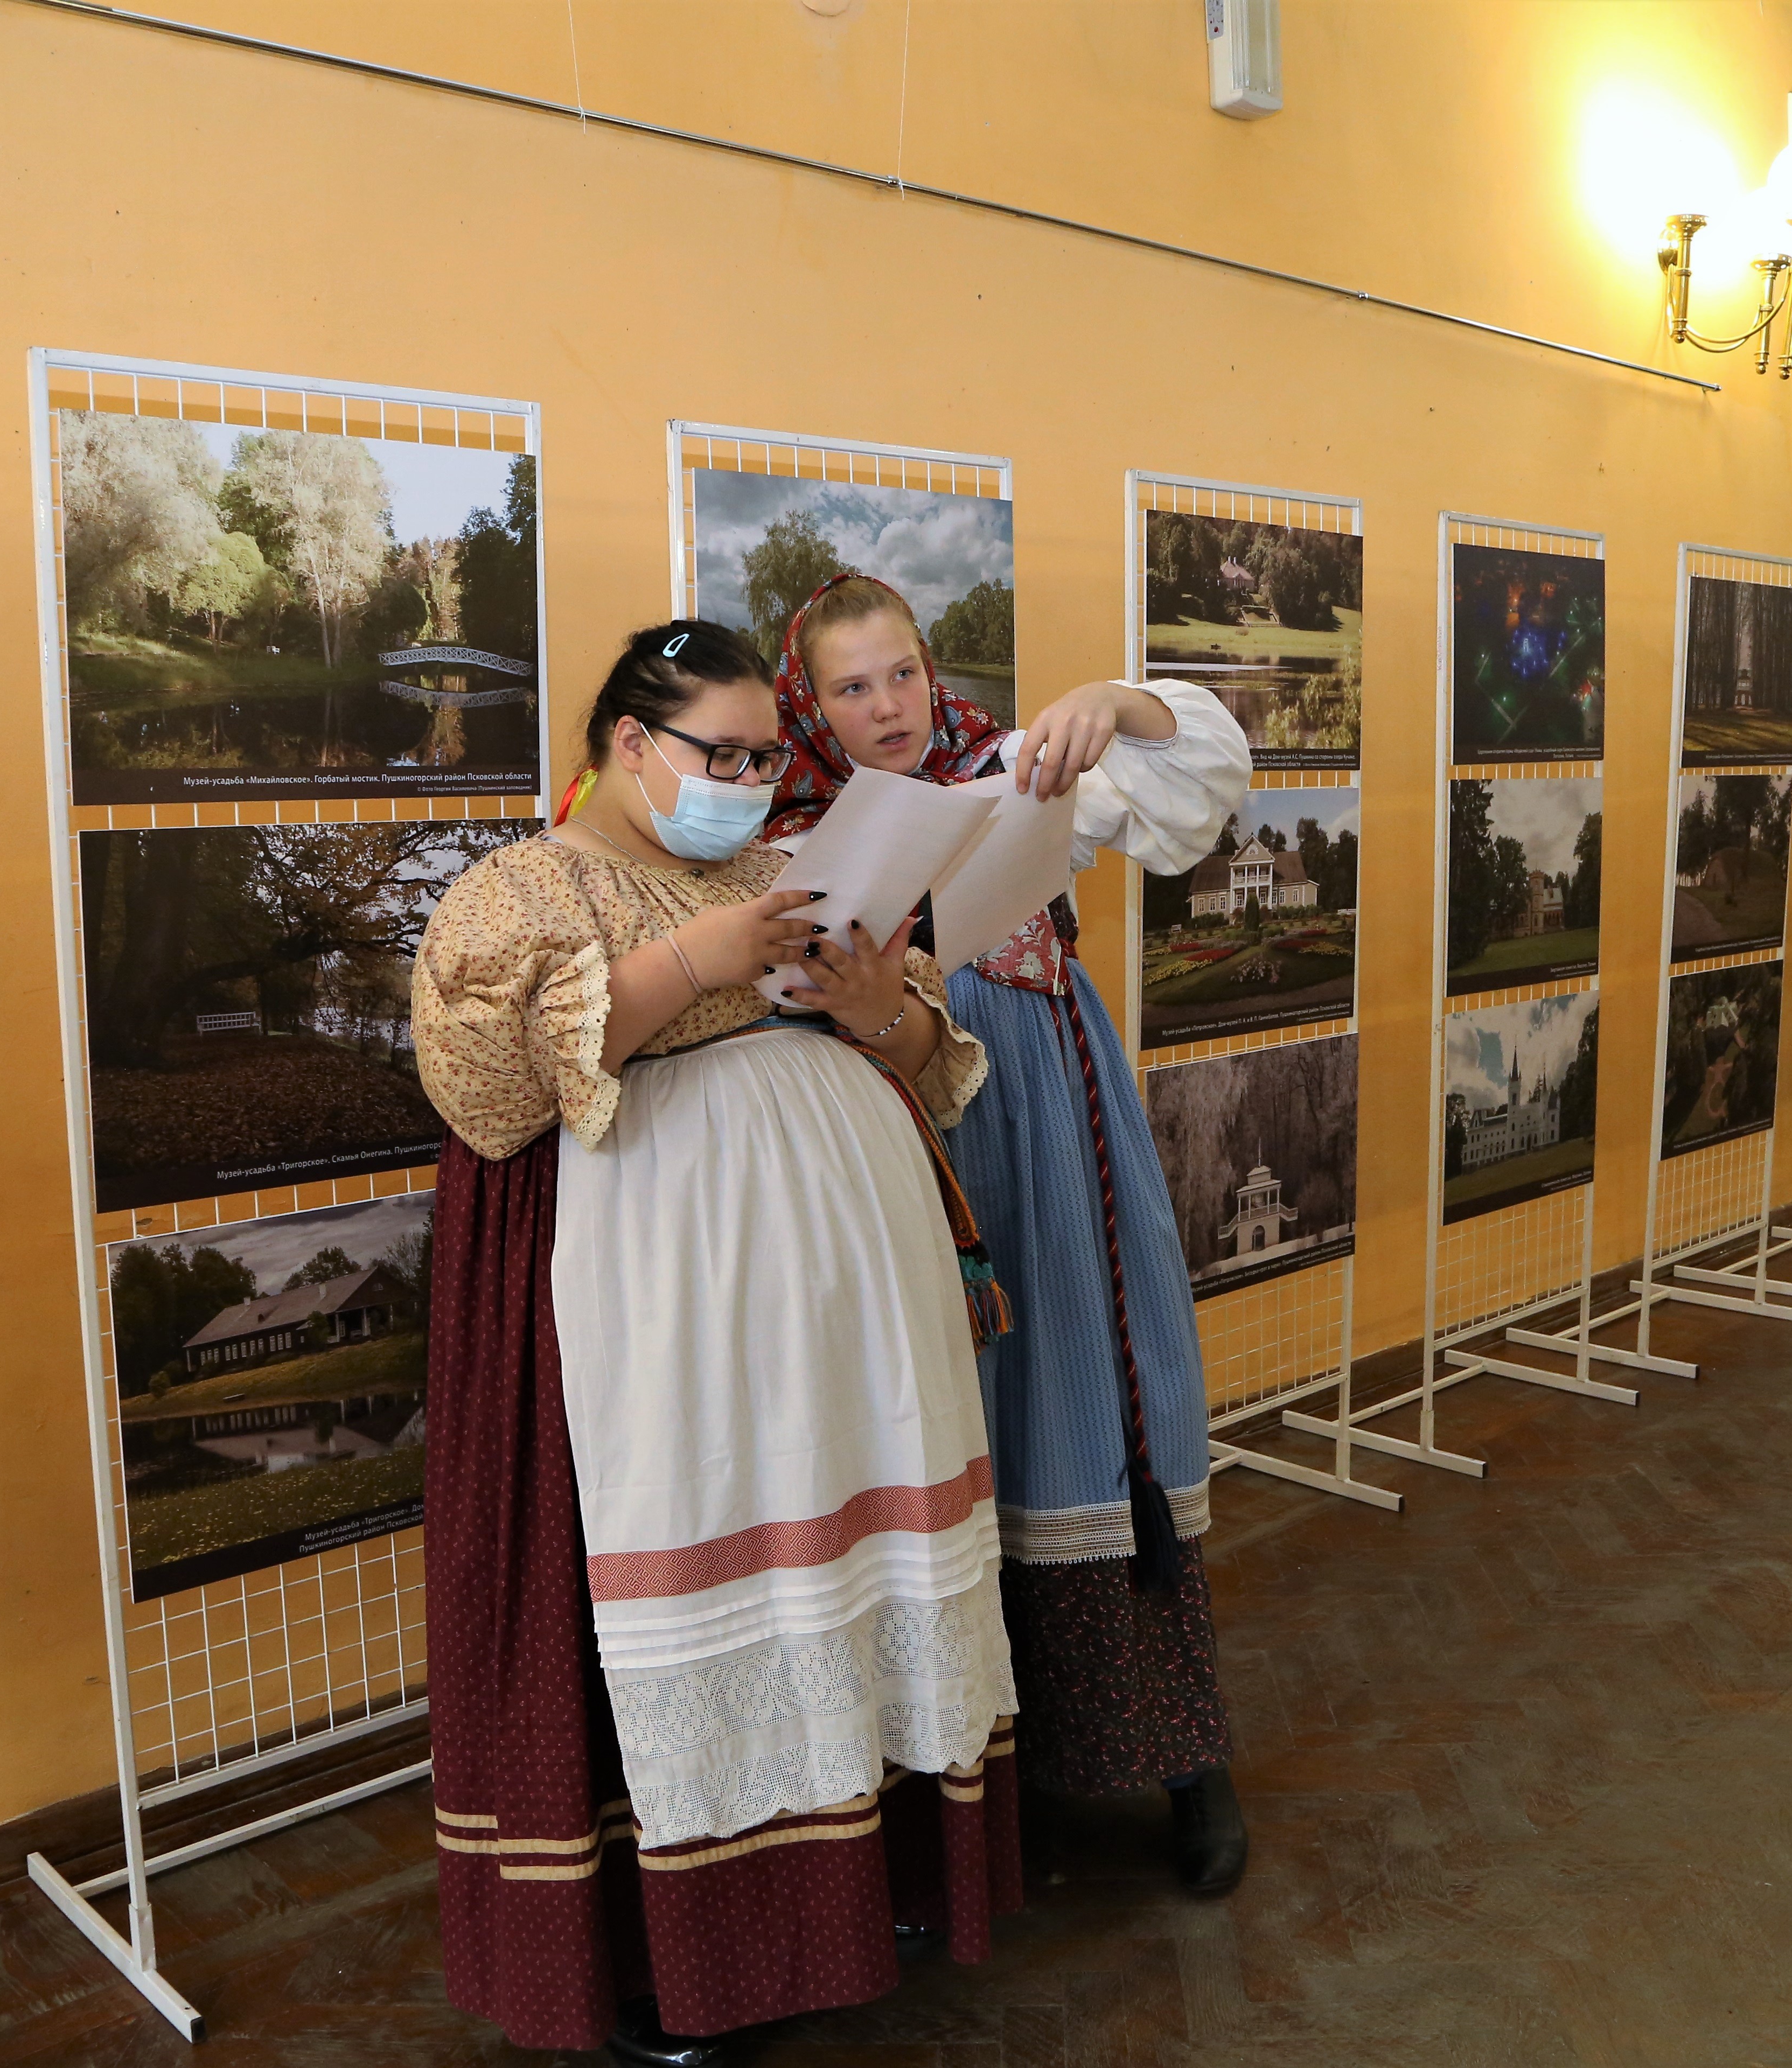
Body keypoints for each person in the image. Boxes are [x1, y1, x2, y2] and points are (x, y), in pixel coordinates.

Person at [411, 620, 1024, 2068]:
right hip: (658, 1327)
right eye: (722, 756)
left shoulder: (788, 867)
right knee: (692, 1594)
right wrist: (694, 958)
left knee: (847, 1583)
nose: (749, 782)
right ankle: (665, 1959)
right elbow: (486, 1087)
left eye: (763, 757)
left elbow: (932, 1061)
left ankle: (869, 1886)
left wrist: (878, 1010)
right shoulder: (525, 888)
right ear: (630, 744)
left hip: (840, 1341)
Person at [761, 573, 1257, 1896]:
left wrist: (1115, 702)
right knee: (950, 1428)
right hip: (904, 1140)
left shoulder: (1012, 768)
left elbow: (1205, 778)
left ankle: (1183, 1757)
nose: (887, 706)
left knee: (1104, 1395)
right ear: (808, 701)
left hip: (1047, 1113)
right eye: (851, 686)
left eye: (903, 674)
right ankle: (979, 1790)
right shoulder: (785, 837)